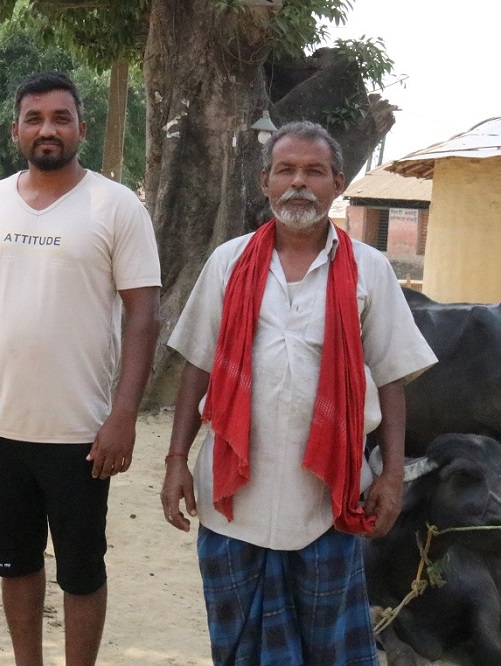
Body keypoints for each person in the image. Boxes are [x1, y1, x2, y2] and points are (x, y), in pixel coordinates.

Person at [160, 120, 437, 665]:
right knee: (237, 645)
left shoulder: (371, 271)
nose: (298, 183)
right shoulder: (228, 263)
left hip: (327, 500)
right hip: (232, 501)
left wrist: (392, 475)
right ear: (265, 182)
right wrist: (176, 460)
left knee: (325, 647)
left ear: (338, 183)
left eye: (314, 171)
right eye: (285, 170)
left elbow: (391, 377)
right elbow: (197, 366)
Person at [0, 71, 161, 666]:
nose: (48, 129)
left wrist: (123, 416)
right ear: (16, 129)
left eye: (61, 118)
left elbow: (143, 318)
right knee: (14, 564)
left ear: (81, 129)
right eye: (35, 118)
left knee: (81, 572)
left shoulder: (117, 207)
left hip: (81, 433)